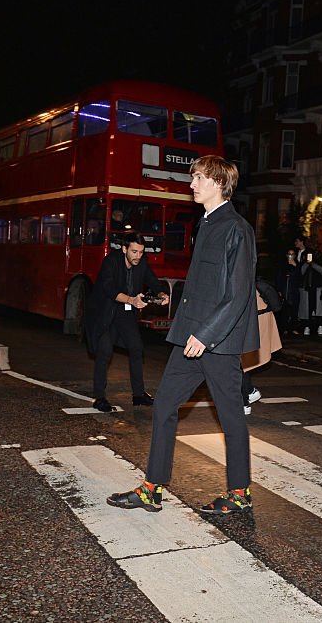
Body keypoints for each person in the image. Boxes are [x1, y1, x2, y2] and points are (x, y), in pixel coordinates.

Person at [107, 155, 258, 515]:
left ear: (219, 183)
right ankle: (152, 488)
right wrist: (189, 330)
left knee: (230, 415)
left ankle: (239, 493)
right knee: (163, 404)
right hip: (192, 338)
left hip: (216, 343)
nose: (192, 184)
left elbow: (237, 294)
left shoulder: (236, 228)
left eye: (199, 178)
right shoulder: (206, 224)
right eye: (193, 178)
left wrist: (206, 336)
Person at [84, 232, 170, 412]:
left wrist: (162, 295)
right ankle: (100, 397)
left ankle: (138, 395)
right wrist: (132, 300)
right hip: (105, 312)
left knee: (137, 348)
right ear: (124, 249)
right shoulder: (111, 262)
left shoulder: (142, 263)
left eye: (140, 252)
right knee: (104, 351)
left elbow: (153, 282)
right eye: (134, 252)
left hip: (125, 312)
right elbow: (109, 289)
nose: (138, 256)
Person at [241, 278, 283, 414]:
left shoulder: (244, 281)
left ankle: (245, 401)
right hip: (253, 321)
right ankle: (248, 393)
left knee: (241, 364)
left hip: (256, 322)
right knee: (242, 364)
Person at [275, 248, 301, 334]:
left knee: (294, 309)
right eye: (289, 254)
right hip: (285, 289)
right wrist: (279, 289)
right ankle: (285, 327)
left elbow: (300, 277)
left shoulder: (298, 265)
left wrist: (295, 266)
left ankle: (294, 327)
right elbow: (279, 277)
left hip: (294, 290)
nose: (291, 256)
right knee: (285, 309)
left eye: (292, 254)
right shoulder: (283, 265)